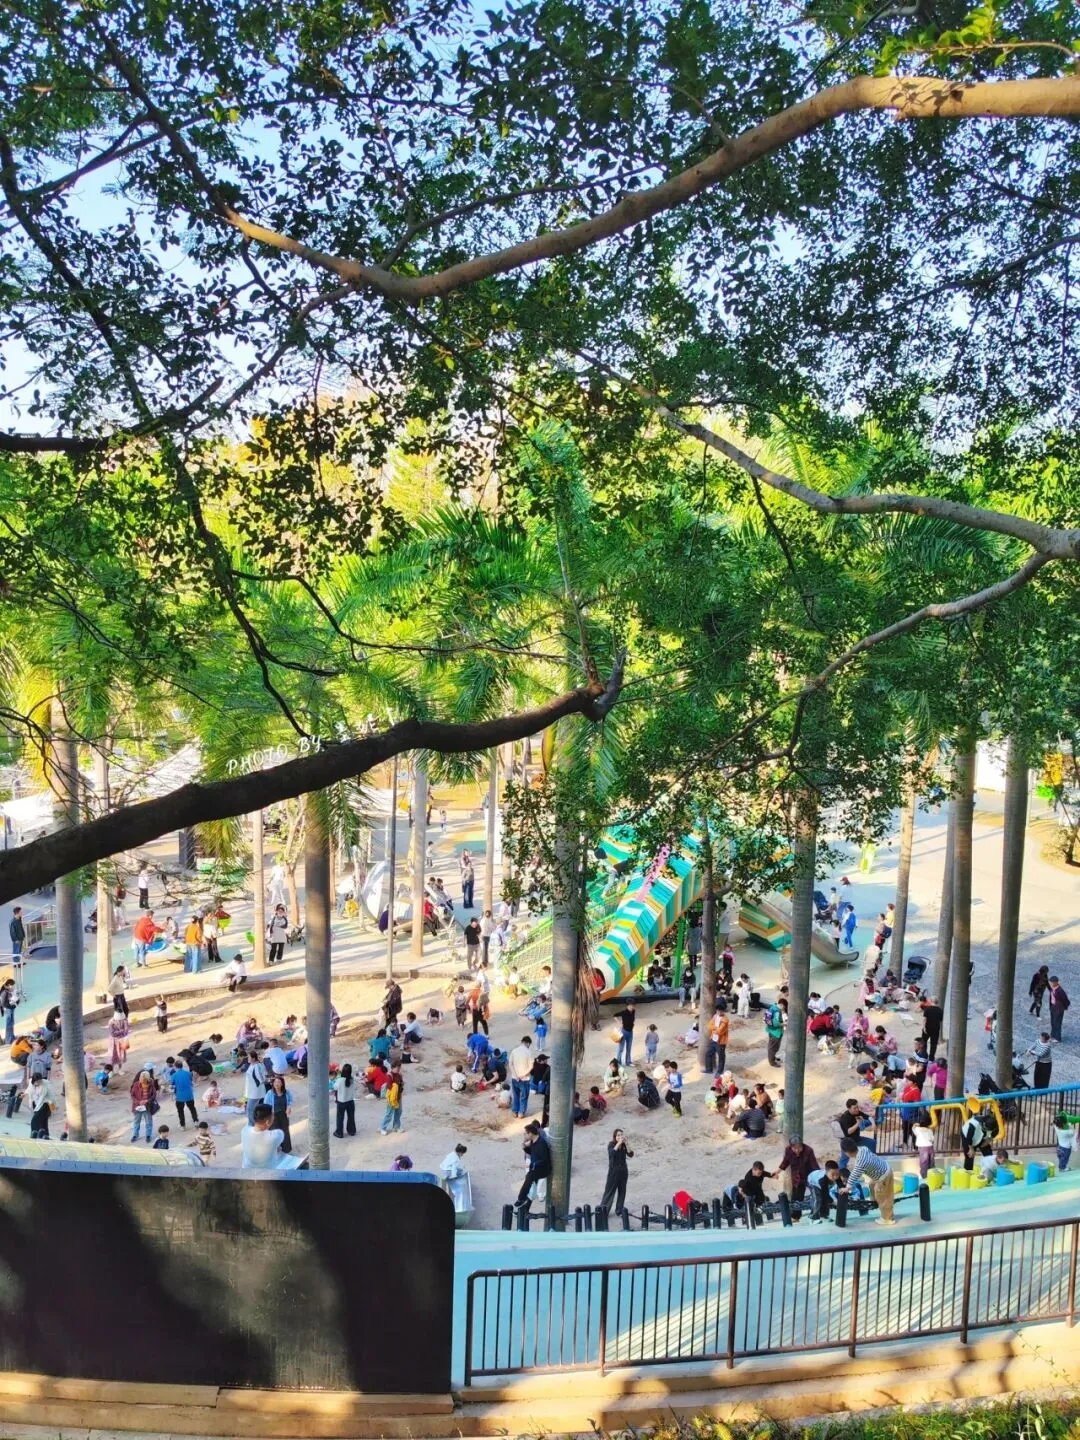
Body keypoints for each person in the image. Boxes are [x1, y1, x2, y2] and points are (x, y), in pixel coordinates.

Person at [839, 1137, 894, 1224]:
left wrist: (847, 1188)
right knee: (871, 1184)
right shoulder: (863, 1148)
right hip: (882, 1169)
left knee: (884, 1198)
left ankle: (887, 1219)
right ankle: (874, 1200)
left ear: (847, 1153)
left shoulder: (861, 1163)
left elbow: (854, 1175)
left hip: (883, 1177)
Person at [516, 1122, 552, 1208]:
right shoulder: (533, 1141)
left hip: (543, 1169)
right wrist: (525, 1147)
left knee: (529, 1178)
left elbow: (543, 1159)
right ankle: (525, 1207)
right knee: (531, 1187)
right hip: (535, 1168)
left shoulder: (541, 1143)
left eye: (526, 1133)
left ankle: (521, 1199)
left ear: (531, 1133)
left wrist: (532, 1165)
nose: (525, 1135)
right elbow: (532, 1153)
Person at [241, 1102, 286, 1168]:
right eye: (273, 1115)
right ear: (267, 1122)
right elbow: (278, 1146)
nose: (274, 1117)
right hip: (268, 1172)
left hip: (247, 1169)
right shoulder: (277, 1135)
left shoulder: (244, 1130)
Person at [599, 1128, 634, 1214]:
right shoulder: (611, 1144)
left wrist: (627, 1144)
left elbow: (630, 1154)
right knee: (609, 1191)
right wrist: (618, 1143)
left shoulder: (624, 1145)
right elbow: (612, 1153)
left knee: (622, 1190)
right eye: (618, 1135)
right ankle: (604, 1210)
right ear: (615, 1137)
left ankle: (619, 1209)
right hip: (613, 1171)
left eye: (621, 1135)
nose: (620, 1137)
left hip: (623, 1170)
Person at [778, 1136, 819, 1201]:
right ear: (791, 1147)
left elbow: (814, 1165)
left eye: (799, 1147)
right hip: (795, 1177)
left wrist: (818, 1176)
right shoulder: (788, 1150)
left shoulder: (808, 1150)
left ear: (802, 1145)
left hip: (807, 1175)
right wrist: (778, 1171)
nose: (797, 1150)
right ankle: (795, 1205)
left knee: (815, 1193)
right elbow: (785, 1161)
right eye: (794, 1148)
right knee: (796, 1195)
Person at [129, 1069, 159, 1143]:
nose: (142, 1081)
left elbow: (154, 1095)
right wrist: (139, 1102)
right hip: (138, 1106)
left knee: (148, 1122)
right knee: (136, 1121)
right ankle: (135, 1135)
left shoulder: (151, 1085)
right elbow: (132, 1095)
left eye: (144, 1080)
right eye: (141, 1079)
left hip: (147, 1106)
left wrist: (148, 1100)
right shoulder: (136, 1084)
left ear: (147, 1079)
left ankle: (148, 1135)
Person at [508, 1035, 534, 1118]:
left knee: (516, 1095)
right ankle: (521, 1112)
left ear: (522, 1042)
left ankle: (515, 1111)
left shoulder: (514, 1051)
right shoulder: (529, 1052)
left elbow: (510, 1064)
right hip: (525, 1079)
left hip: (514, 1078)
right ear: (528, 1043)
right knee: (524, 1096)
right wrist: (523, 1075)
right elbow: (531, 1067)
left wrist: (516, 1075)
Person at [171, 1058, 199, 1129]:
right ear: (182, 1066)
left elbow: (172, 1084)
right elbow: (191, 1081)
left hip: (179, 1096)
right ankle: (196, 1121)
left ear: (175, 1067)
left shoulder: (174, 1075)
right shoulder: (188, 1073)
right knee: (192, 1108)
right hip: (189, 1094)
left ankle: (182, 1125)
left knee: (180, 1111)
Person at [244, 1050, 268, 1124]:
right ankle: (254, 1123)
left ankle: (252, 1124)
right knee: (252, 1108)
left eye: (249, 1057)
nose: (247, 1059)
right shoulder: (253, 1065)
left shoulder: (257, 1066)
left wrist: (262, 1081)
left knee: (249, 1109)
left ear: (253, 1058)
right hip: (252, 1091)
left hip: (256, 1092)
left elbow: (262, 1078)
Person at [704, 1003, 729, 1075]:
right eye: (718, 1010)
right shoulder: (715, 1016)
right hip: (713, 1039)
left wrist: (714, 1028)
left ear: (723, 1011)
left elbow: (719, 1031)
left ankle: (719, 1072)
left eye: (721, 1011)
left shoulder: (725, 1019)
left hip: (720, 1041)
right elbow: (709, 1026)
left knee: (721, 1057)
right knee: (708, 1053)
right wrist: (715, 1028)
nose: (719, 1012)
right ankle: (709, 1069)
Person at [333, 1064, 356, 1138]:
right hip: (350, 1101)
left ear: (342, 1071)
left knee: (340, 1118)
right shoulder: (352, 1079)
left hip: (341, 1102)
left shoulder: (339, 1080)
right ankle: (351, 1131)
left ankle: (339, 1133)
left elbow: (335, 1087)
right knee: (351, 1117)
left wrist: (337, 1077)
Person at [27, 1074, 52, 1139]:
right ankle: (45, 1136)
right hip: (36, 1104)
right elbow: (29, 1090)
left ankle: (35, 1136)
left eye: (40, 1081)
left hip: (44, 1105)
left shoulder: (45, 1085)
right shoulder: (31, 1083)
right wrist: (24, 1094)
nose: (39, 1082)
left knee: (34, 1121)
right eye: (37, 1081)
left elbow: (51, 1096)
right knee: (43, 1122)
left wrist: (52, 1107)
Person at [380, 1066, 403, 1133]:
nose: (398, 1069)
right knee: (389, 1113)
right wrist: (395, 1085)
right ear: (393, 1067)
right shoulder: (389, 1075)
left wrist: (401, 1083)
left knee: (398, 1112)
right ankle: (383, 1128)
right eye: (397, 1068)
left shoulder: (399, 1075)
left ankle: (396, 1127)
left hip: (398, 1096)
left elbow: (401, 1086)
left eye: (399, 1068)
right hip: (391, 1098)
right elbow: (389, 1087)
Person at [1048, 977, 1070, 1042]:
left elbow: (1066, 1001)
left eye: (1051, 982)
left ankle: (1058, 1038)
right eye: (1050, 982)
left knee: (1057, 1023)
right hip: (1053, 1007)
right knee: (1053, 1022)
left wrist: (1063, 1008)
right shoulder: (1052, 989)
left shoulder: (1060, 991)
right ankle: (1053, 1035)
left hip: (1058, 1009)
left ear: (1056, 982)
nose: (1050, 983)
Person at [764, 999, 785, 1068]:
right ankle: (772, 1062)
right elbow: (776, 1023)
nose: (784, 1009)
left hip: (771, 1030)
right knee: (773, 1047)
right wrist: (784, 1024)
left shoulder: (773, 1007)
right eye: (784, 1007)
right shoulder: (777, 1011)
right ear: (782, 1005)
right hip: (776, 1032)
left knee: (772, 1046)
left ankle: (772, 1057)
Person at [0, 977, 16, 1045]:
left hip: (10, 1008)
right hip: (8, 1009)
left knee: (11, 1023)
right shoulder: (4, 992)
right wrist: (12, 1006)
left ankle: (11, 1037)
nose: (13, 987)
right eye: (12, 985)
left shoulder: (6, 990)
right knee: (9, 1025)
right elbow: (3, 1003)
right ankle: (9, 1040)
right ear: (9, 985)